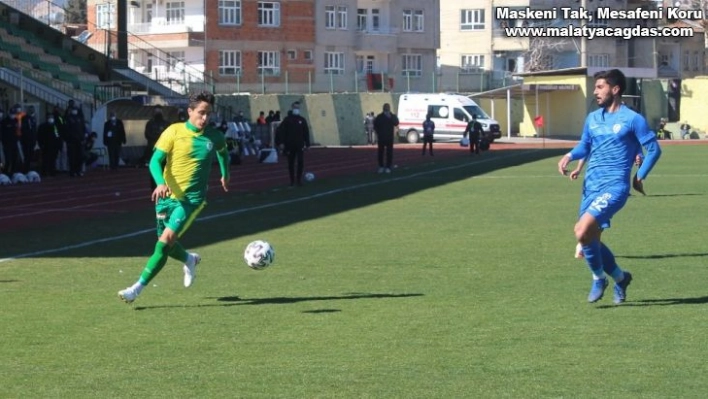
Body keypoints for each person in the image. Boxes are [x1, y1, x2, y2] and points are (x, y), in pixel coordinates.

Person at [557, 69, 662, 304]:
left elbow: (654, 149)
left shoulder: (633, 119)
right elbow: (585, 145)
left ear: (615, 90)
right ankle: (620, 277)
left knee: (582, 231)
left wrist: (639, 176)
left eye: (600, 87)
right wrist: (570, 155)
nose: (595, 92)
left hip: (615, 186)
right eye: (595, 88)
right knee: (589, 238)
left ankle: (598, 278)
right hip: (590, 186)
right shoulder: (593, 118)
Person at [118, 91, 230, 304]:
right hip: (166, 197)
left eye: (209, 114)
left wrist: (226, 174)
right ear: (190, 112)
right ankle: (189, 259)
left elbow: (223, 153)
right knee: (166, 245)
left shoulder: (214, 136)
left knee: (164, 243)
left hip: (191, 201)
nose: (205, 118)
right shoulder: (173, 131)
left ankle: (136, 289)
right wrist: (160, 183)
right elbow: (154, 161)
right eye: (201, 113)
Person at [275, 101, 311, 186]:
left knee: (300, 162)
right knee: (291, 163)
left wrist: (307, 144)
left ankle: (298, 180)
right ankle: (292, 180)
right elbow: (281, 131)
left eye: (297, 108)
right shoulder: (287, 120)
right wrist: (281, 142)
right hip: (289, 145)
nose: (296, 109)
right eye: (295, 107)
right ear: (292, 108)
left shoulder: (302, 120)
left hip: (300, 145)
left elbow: (306, 132)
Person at [373, 103, 399, 173]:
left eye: (387, 107)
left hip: (389, 137)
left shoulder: (392, 116)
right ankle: (381, 166)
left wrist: (391, 117)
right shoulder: (379, 117)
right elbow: (375, 125)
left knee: (389, 153)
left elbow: (396, 123)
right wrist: (378, 133)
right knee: (380, 152)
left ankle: (388, 166)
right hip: (381, 137)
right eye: (386, 107)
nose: (387, 109)